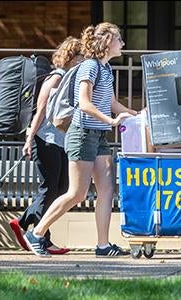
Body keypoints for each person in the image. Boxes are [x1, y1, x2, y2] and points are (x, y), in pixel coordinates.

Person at [23, 22, 137, 257]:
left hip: (99, 135)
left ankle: (103, 246)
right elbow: (84, 103)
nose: (123, 44)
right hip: (82, 133)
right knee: (77, 193)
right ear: (107, 42)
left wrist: (135, 114)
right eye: (119, 39)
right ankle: (36, 233)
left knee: (107, 189)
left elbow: (112, 103)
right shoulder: (89, 67)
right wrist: (111, 121)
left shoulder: (106, 69)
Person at [8, 37, 83, 255]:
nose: (82, 62)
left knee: (61, 188)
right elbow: (40, 111)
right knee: (50, 187)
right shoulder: (56, 78)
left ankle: (36, 229)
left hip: (60, 141)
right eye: (80, 57)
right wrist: (29, 138)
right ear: (71, 57)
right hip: (46, 139)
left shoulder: (70, 80)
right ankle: (31, 227)